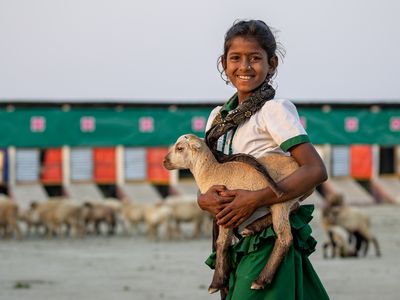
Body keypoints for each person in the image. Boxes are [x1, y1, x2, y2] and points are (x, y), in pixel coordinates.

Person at [197, 19, 330, 300]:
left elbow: (315, 169)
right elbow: (210, 177)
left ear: (272, 64)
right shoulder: (217, 117)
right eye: (236, 58)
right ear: (223, 63)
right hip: (234, 239)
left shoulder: (274, 111)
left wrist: (254, 199)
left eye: (255, 58)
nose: (244, 67)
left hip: (267, 236)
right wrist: (202, 199)